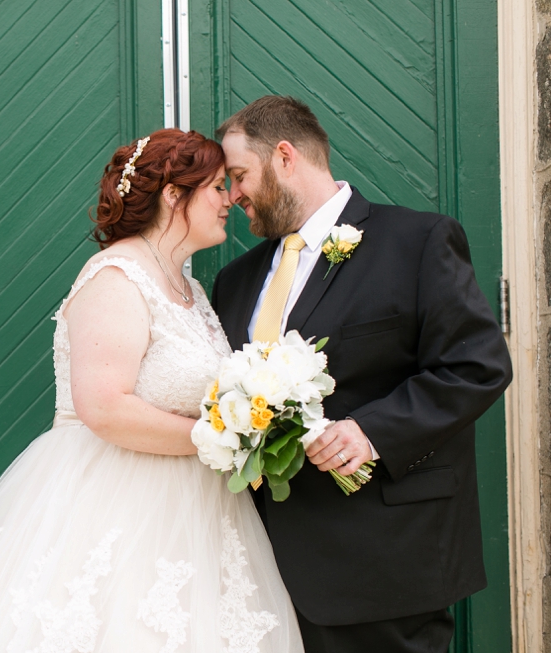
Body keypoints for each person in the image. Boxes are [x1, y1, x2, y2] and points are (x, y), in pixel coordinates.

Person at [0, 128, 304, 652]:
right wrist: (224, 438)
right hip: (113, 498)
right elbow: (105, 407)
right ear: (172, 195)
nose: (230, 200)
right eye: (215, 187)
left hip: (197, 510)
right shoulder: (116, 276)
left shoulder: (189, 286)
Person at [211, 95, 513, 653]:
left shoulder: (418, 241)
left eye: (237, 176)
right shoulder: (234, 281)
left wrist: (371, 431)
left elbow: (476, 365)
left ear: (284, 156)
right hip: (260, 574)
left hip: (384, 564)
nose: (233, 197)